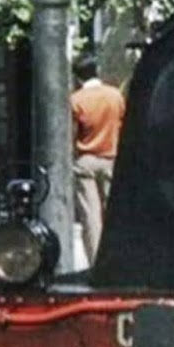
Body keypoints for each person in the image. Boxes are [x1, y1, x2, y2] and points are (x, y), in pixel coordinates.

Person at [71, 54, 124, 267]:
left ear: (77, 77)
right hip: (112, 158)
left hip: (86, 160)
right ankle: (118, 258)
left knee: (91, 217)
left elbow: (72, 133)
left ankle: (96, 263)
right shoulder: (115, 96)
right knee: (114, 212)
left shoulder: (76, 100)